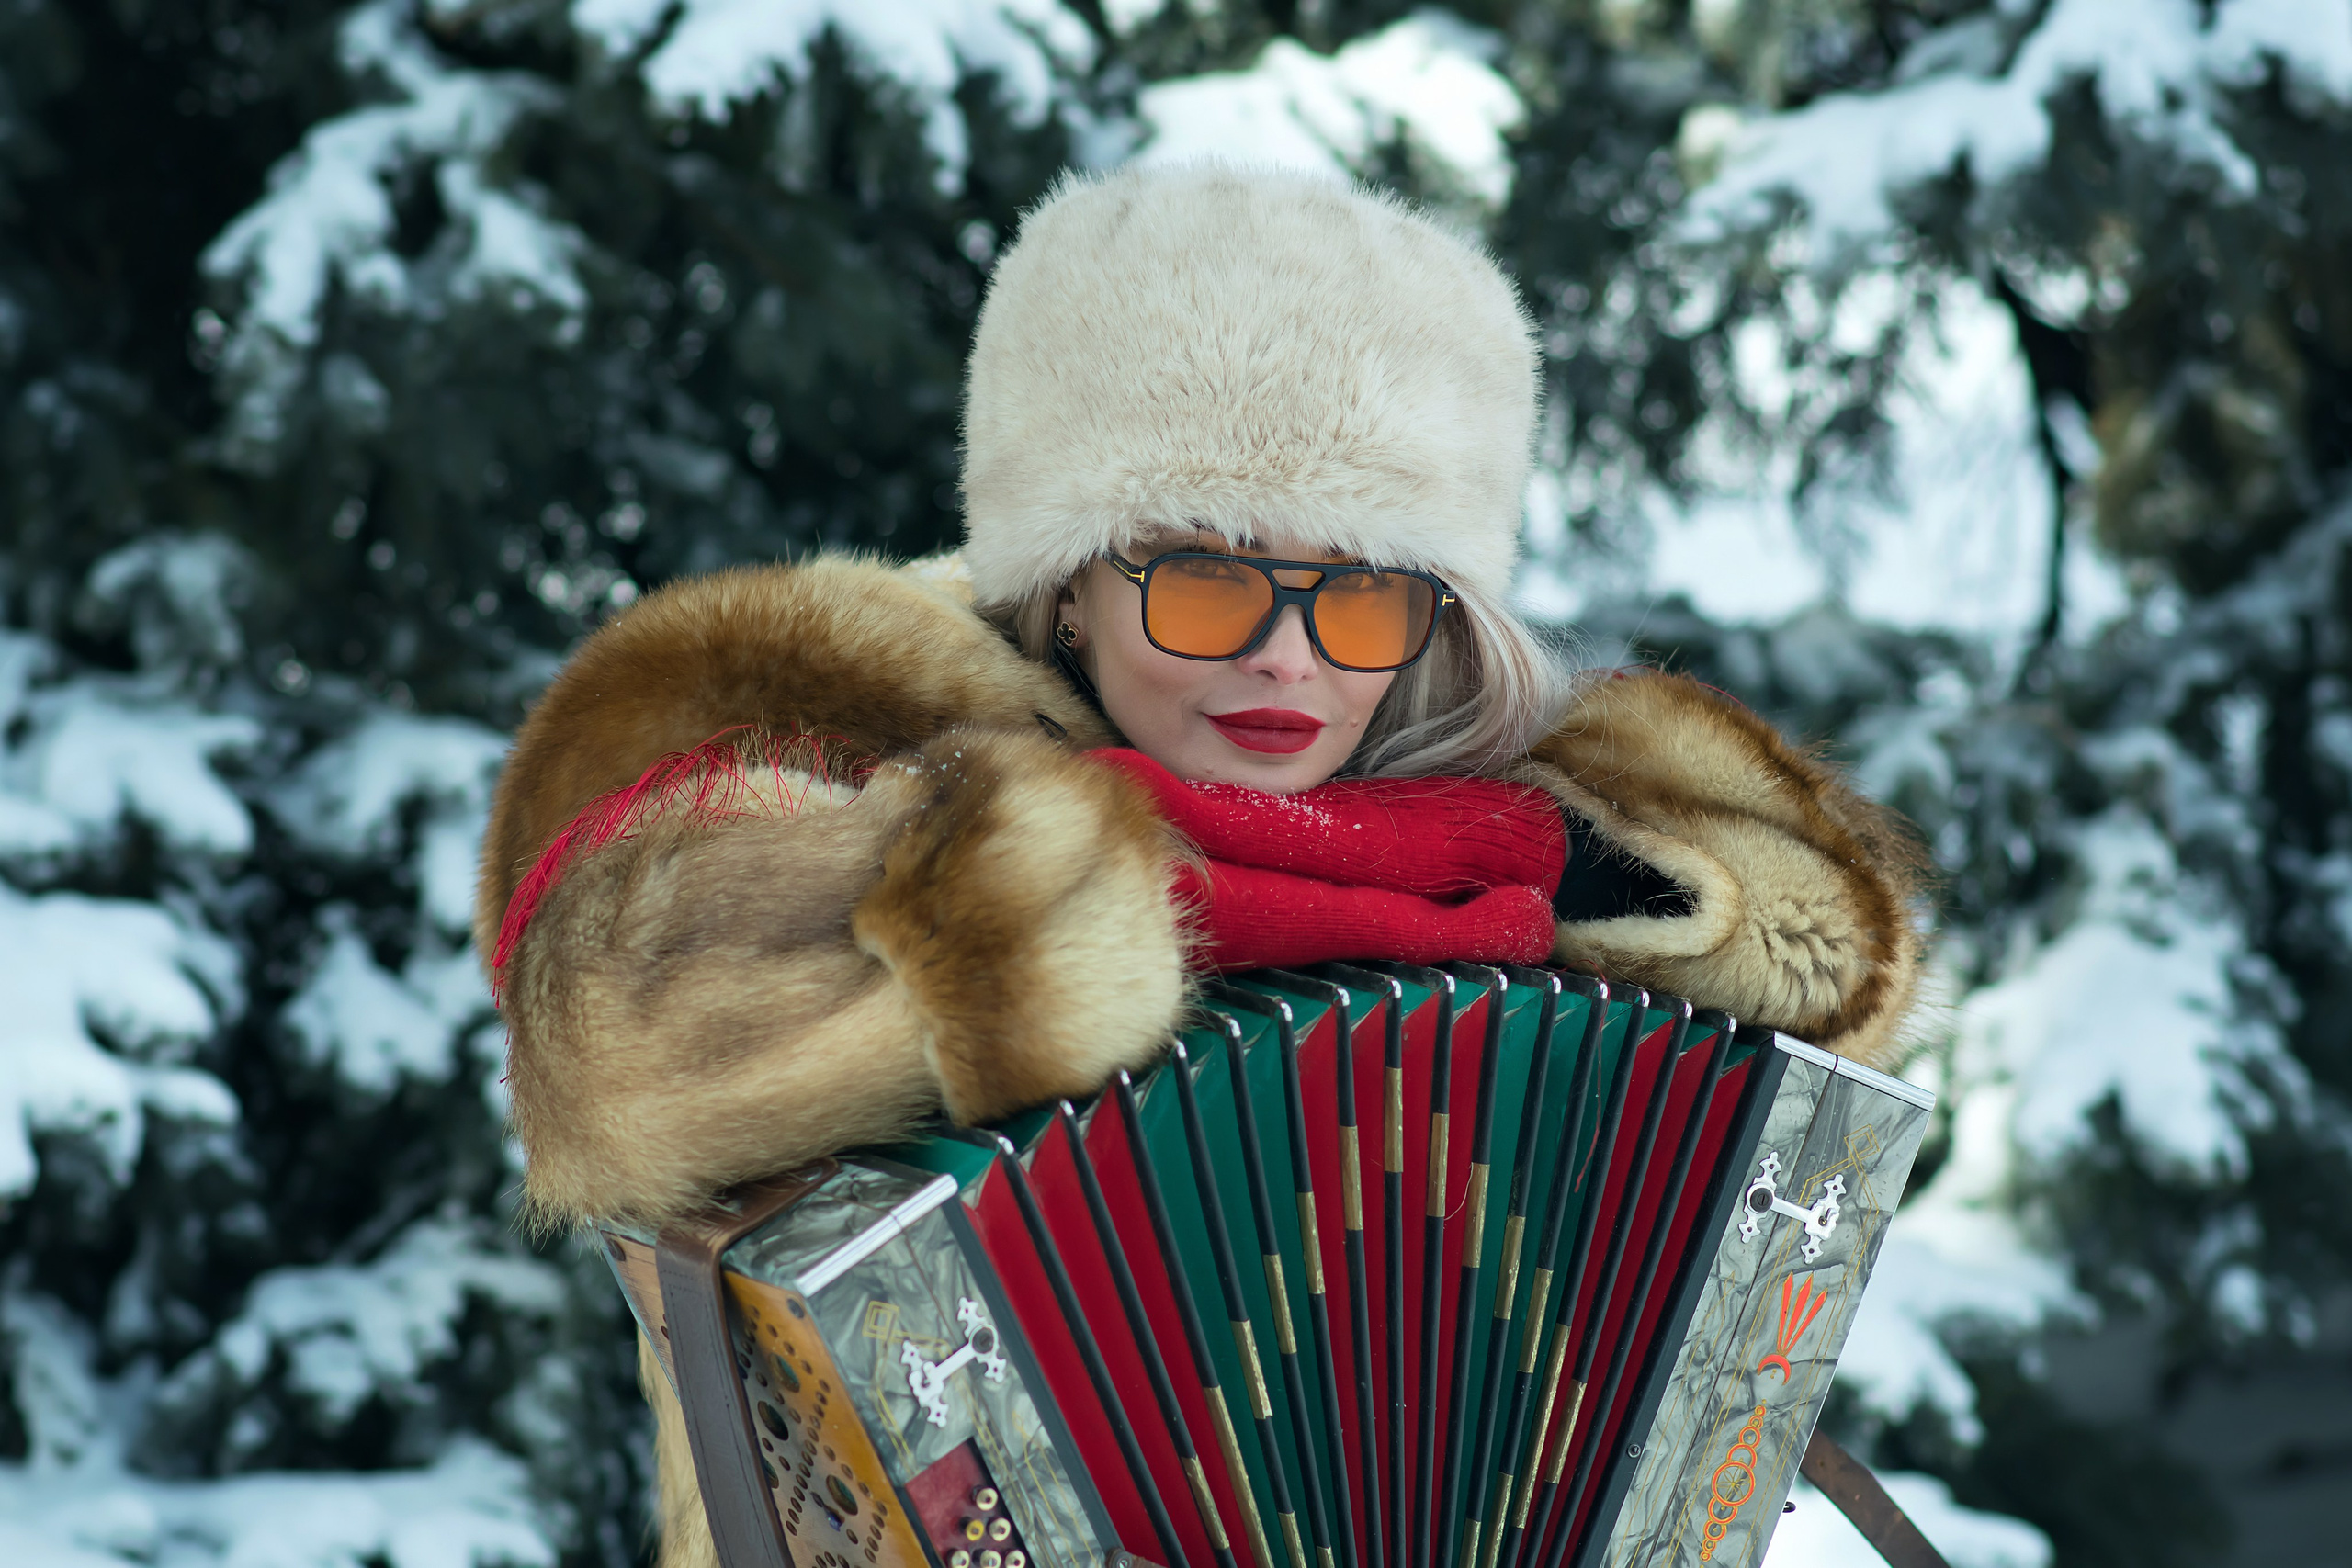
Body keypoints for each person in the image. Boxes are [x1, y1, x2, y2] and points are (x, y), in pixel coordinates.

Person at [474, 163, 1927, 1568]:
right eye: (1208, 576)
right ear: (1068, 587)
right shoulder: (826, 769)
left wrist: (1601, 882)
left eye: (1362, 597)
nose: (1287, 654)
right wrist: (1032, 904)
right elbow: (620, 1030)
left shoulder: (1544, 852)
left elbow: (1821, 1019)